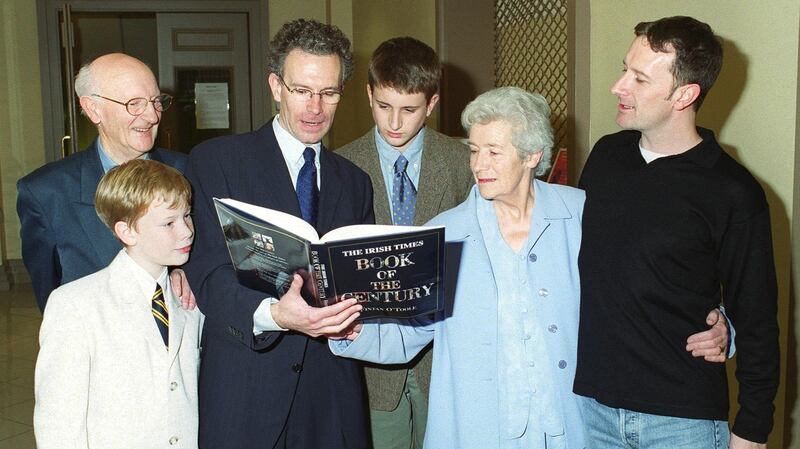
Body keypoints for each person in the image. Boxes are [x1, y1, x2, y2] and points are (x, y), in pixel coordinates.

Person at [332, 86, 727, 449]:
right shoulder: (444, 232)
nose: (478, 164)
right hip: (478, 429)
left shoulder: (582, 213)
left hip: (573, 425)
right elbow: (406, 332)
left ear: (532, 156)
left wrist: (722, 324)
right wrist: (352, 328)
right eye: (473, 149)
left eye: (494, 151)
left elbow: (649, 282)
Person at [574, 16, 779, 449]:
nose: (618, 86)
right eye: (624, 68)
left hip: (682, 422)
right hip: (590, 411)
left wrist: (751, 432)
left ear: (684, 94)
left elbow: (758, 318)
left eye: (639, 78)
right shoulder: (606, 157)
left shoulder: (733, 192)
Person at [183, 19, 371, 448]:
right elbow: (209, 276)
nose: (315, 108)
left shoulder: (355, 181)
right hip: (246, 388)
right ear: (275, 86)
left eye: (328, 92)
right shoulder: (217, 162)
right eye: (302, 91)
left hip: (330, 398)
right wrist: (275, 315)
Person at [336, 36, 473, 449]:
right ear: (368, 94)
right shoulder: (340, 165)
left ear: (431, 104)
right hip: (370, 364)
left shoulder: (462, 163)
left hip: (448, 357)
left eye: (409, 110)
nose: (394, 123)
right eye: (383, 106)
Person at [34, 159, 202, 448]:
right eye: (169, 223)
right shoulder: (75, 306)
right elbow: (58, 424)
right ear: (126, 232)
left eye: (187, 216)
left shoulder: (189, 298)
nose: (186, 231)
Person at [17, 53, 194, 312]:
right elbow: (52, 300)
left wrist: (185, 272)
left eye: (156, 101)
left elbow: (214, 257)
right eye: (134, 103)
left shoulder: (190, 171)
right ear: (93, 109)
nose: (152, 116)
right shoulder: (45, 193)